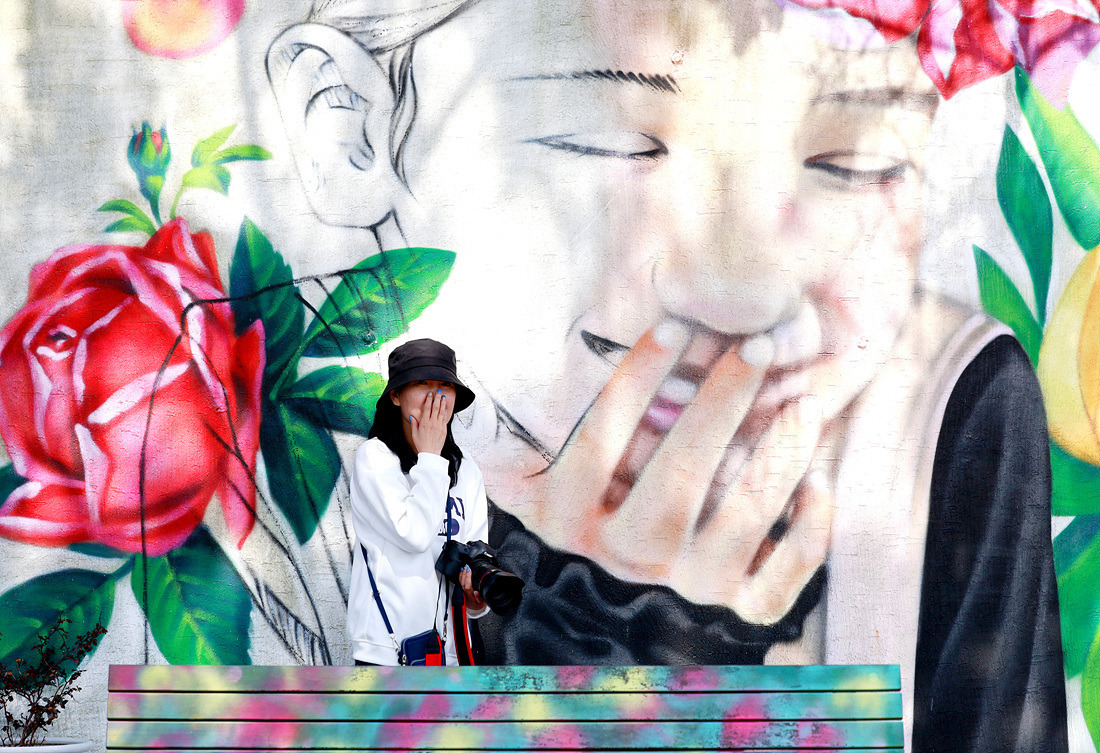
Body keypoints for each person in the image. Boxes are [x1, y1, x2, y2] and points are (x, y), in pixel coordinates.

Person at [269, 0, 1067, 748]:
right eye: (617, 141)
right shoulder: (244, 494)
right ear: (349, 126)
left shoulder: (944, 417)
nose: (745, 294)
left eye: (850, 161)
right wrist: (608, 646)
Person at [347, 338, 489, 666]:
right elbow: (415, 536)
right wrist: (431, 457)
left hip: (451, 653)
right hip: (386, 654)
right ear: (396, 396)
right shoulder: (375, 458)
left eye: (445, 386)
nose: (435, 396)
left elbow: (474, 555)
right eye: (422, 383)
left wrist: (476, 598)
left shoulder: (466, 470)